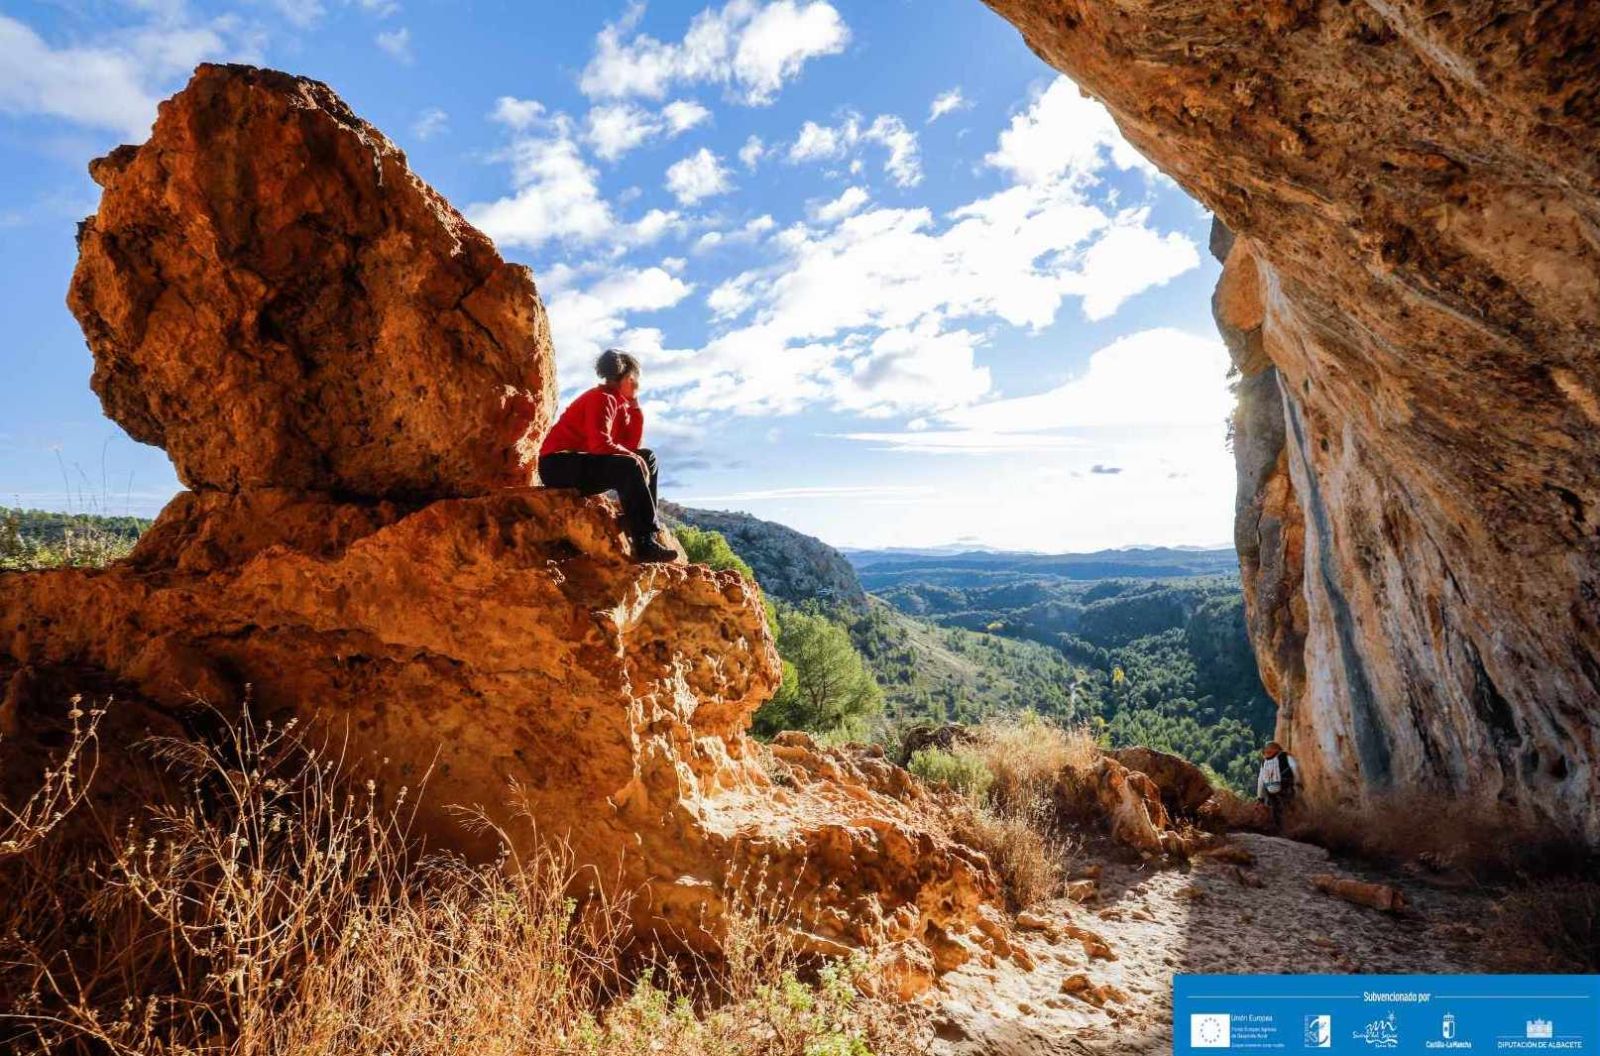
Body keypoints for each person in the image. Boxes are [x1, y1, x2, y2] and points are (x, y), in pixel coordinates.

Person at [538, 349, 676, 563]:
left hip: (580, 461)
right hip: (558, 464)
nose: (636, 382)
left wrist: (634, 405)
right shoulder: (600, 398)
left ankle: (638, 523)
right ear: (628, 377)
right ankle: (644, 541)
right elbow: (599, 444)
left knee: (647, 457)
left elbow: (631, 445)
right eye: (634, 378)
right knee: (630, 465)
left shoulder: (618, 403)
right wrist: (632, 458)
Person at [1255, 740, 1300, 831]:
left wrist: (1260, 797)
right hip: (1285, 785)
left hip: (1270, 789)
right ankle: (1293, 827)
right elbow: (1294, 767)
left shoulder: (1264, 762)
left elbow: (1261, 780)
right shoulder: (1284, 756)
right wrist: (1297, 781)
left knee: (1275, 809)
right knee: (1290, 805)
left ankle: (1279, 828)